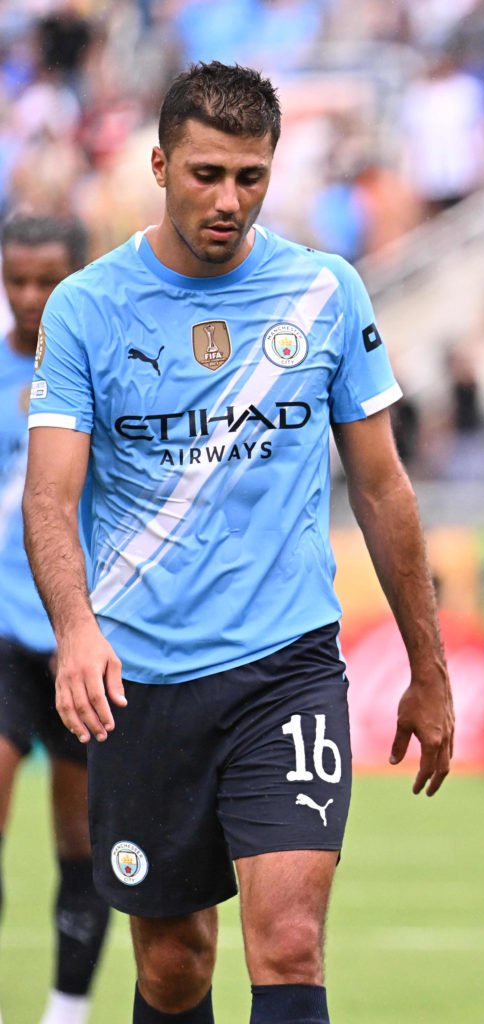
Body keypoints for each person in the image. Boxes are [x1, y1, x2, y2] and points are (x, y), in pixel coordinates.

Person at [22, 62, 454, 1024]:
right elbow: (50, 499)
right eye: (206, 174)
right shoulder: (89, 308)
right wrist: (77, 629)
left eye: (250, 177)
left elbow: (382, 488)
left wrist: (429, 666)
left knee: (290, 945)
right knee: (175, 963)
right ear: (160, 164)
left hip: (285, 667)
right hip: (141, 676)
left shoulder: (324, 293)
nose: (228, 200)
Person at [0, 213, 107, 1024]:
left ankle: (65, 1010)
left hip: (82, 634)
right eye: (17, 280)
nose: (31, 297)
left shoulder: (103, 369)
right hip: (3, 635)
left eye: (47, 280)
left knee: (81, 841)